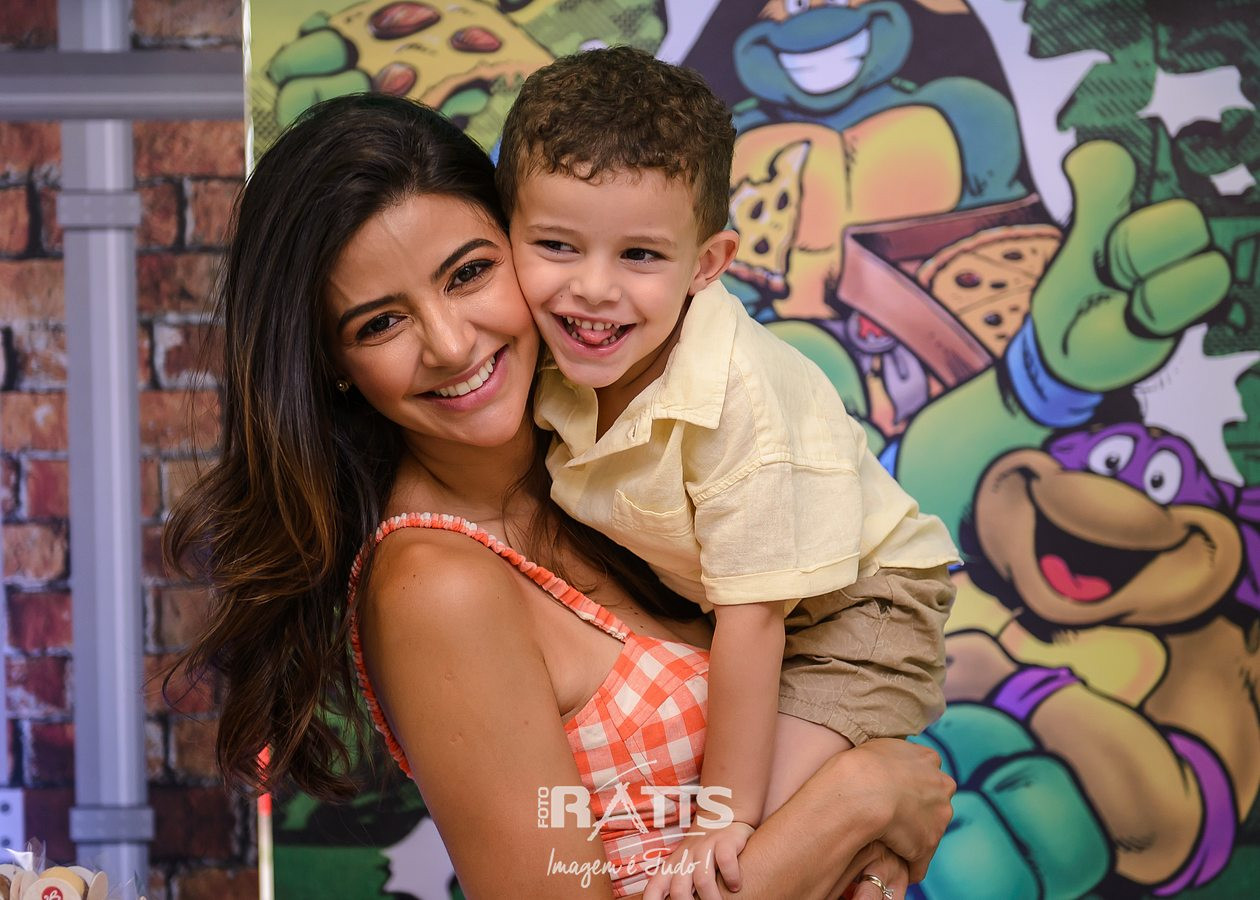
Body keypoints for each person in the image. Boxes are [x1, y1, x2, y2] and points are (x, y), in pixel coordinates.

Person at [163, 93, 954, 899]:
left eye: (469, 274)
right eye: (380, 324)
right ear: (334, 364)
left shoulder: (616, 455)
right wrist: (862, 798)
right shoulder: (438, 587)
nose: (451, 345)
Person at [496, 47, 959, 897]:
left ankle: (853, 829)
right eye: (556, 245)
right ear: (507, 235)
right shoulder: (543, 356)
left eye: (640, 256)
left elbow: (756, 625)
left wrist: (722, 817)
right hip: (739, 609)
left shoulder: (742, 402)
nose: (592, 289)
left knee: (747, 853)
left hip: (859, 612)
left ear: (707, 264)